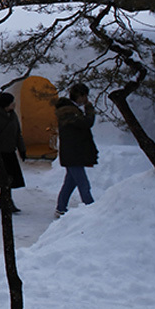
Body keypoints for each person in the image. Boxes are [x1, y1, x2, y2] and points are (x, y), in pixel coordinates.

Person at [53, 82, 98, 218]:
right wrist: (89, 109)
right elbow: (86, 123)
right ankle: (91, 210)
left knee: (70, 183)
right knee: (83, 184)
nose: (85, 100)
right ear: (80, 96)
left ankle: (61, 208)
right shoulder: (69, 112)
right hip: (73, 153)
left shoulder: (68, 110)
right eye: (85, 96)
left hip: (72, 153)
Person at [0, 91, 26, 213]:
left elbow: (17, 133)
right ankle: (6, 201)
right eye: (12, 102)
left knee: (10, 178)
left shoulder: (12, 115)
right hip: (0, 152)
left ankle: (3, 199)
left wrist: (22, 149)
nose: (14, 104)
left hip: (10, 151)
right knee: (5, 178)